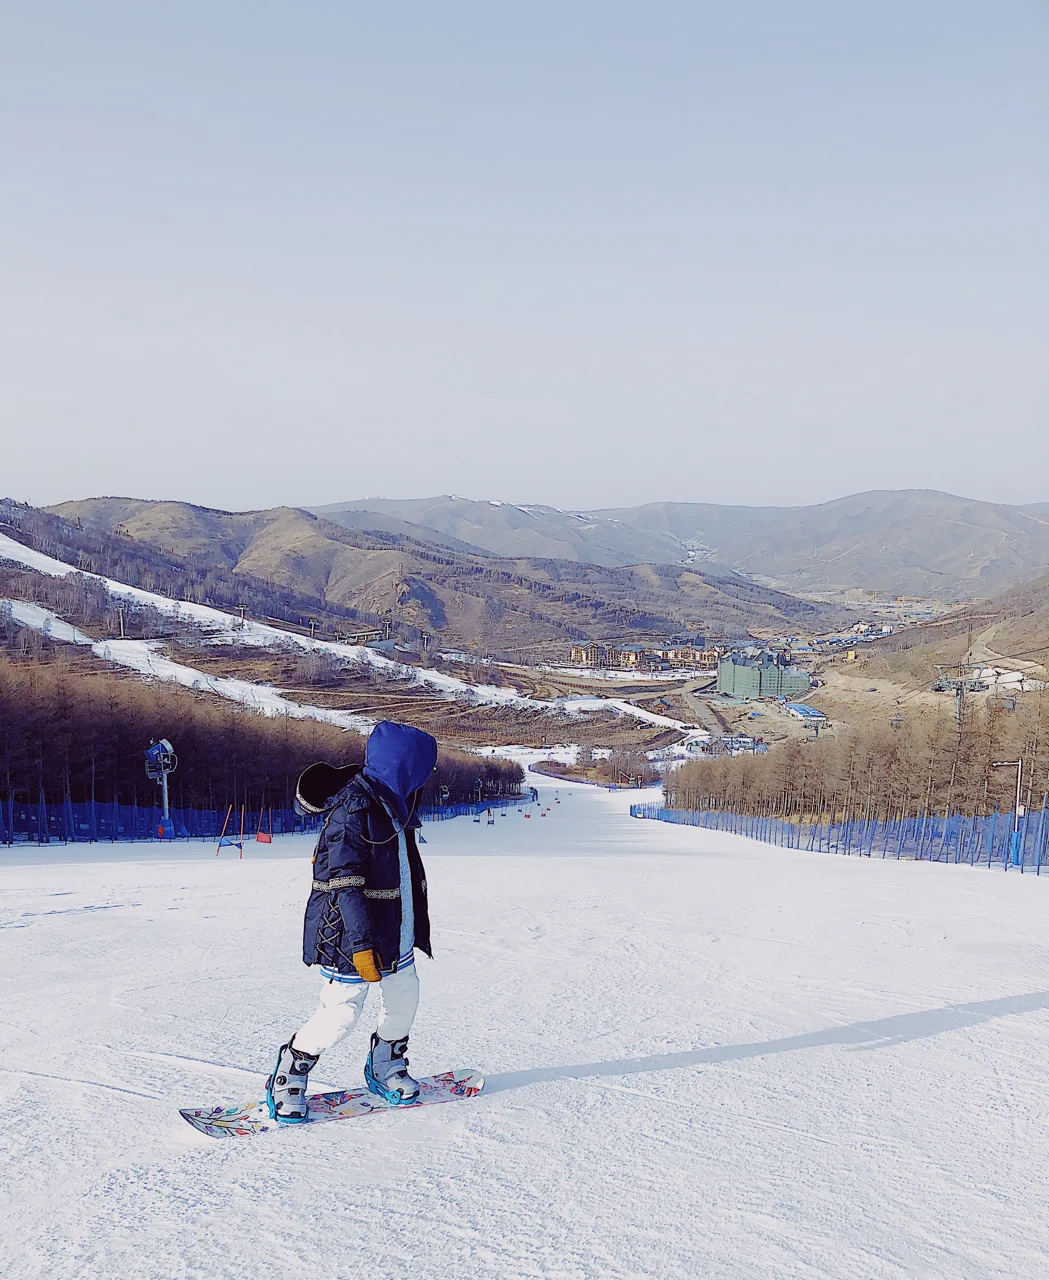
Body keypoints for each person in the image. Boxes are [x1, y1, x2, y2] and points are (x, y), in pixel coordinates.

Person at [265, 720, 438, 1124]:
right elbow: (345, 883)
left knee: (404, 998)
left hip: (396, 931)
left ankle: (385, 1065)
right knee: (341, 1013)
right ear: (402, 766)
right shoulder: (352, 811)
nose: (424, 779)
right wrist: (361, 944)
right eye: (420, 769)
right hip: (350, 935)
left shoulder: (397, 803)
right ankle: (290, 1071)